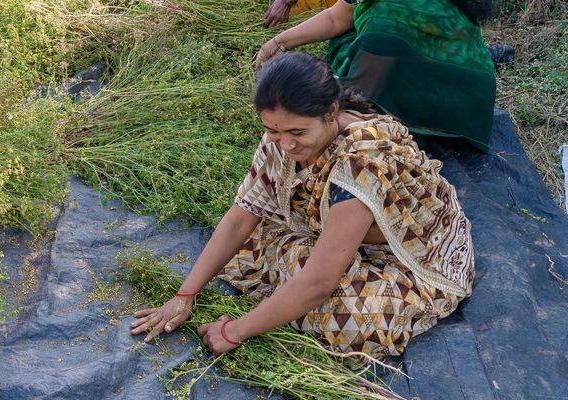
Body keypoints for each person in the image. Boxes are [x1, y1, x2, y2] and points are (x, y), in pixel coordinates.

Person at [131, 52, 475, 357]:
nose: (286, 144)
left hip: (412, 259)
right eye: (273, 131)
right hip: (342, 234)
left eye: (297, 132)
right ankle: (292, 291)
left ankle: (291, 297)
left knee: (348, 318)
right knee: (252, 245)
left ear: (331, 111)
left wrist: (234, 331)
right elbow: (239, 220)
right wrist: (185, 295)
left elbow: (320, 281)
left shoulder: (363, 163)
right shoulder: (282, 140)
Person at [254, 0, 497, 151]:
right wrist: (279, 42)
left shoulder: (384, 28)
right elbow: (337, 17)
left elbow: (354, 103)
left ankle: (406, 123)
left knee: (356, 48)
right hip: (473, 83)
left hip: (451, 99)